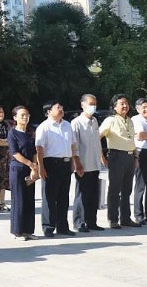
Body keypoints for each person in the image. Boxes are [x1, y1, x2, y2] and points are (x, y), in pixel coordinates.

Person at [35, 101, 76, 237]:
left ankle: (62, 227)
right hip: (51, 164)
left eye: (62, 107)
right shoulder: (44, 127)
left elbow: (72, 145)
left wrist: (73, 162)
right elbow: (39, 149)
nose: (61, 109)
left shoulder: (67, 125)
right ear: (49, 111)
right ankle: (48, 226)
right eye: (58, 107)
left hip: (66, 163)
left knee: (64, 196)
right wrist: (41, 167)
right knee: (49, 197)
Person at [99, 94, 141, 229]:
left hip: (130, 157)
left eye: (126, 103)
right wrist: (101, 155)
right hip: (116, 156)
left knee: (127, 190)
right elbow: (97, 137)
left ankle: (125, 218)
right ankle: (113, 219)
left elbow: (132, 140)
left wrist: (135, 157)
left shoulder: (130, 121)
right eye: (122, 103)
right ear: (114, 107)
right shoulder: (110, 120)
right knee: (115, 190)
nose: (125, 106)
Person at [71, 94, 105, 232]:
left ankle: (91, 221)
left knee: (93, 194)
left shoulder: (95, 121)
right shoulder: (76, 123)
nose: (93, 107)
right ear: (83, 105)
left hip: (94, 163)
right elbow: (74, 145)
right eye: (90, 104)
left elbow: (97, 142)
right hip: (82, 164)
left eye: (94, 104)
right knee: (82, 194)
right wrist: (77, 163)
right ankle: (79, 222)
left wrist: (101, 157)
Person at [7, 106, 38, 240]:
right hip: (18, 169)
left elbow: (35, 152)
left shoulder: (30, 133)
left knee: (29, 199)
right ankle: (17, 231)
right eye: (22, 115)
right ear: (15, 118)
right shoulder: (12, 133)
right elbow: (15, 153)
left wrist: (34, 168)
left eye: (27, 115)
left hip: (30, 169)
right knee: (18, 200)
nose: (25, 117)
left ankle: (28, 230)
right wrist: (31, 164)